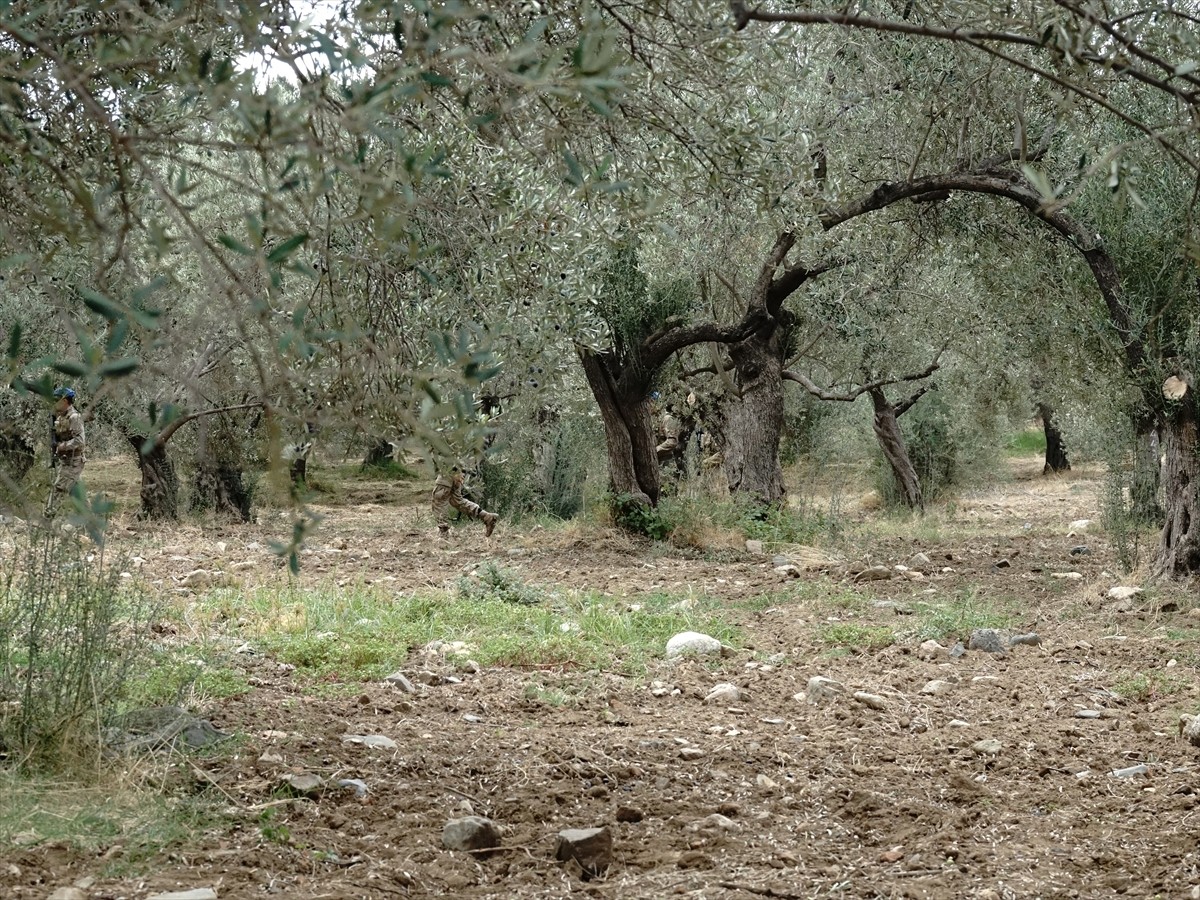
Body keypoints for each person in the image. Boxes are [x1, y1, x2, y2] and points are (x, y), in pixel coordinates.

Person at [45, 386, 85, 517]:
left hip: (73, 460)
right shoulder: (60, 417)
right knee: (77, 493)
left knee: (59, 488)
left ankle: (48, 516)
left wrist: (62, 446)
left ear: (65, 401)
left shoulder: (74, 417)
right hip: (65, 459)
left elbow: (80, 441)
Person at [431, 465, 498, 538]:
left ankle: (443, 532)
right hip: (455, 470)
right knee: (457, 501)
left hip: (450, 470)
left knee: (439, 501)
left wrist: (455, 469)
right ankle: (486, 516)